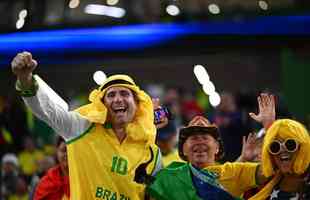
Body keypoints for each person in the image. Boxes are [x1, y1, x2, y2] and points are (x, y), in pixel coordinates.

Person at [11, 51, 164, 200]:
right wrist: (25, 80)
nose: (118, 99)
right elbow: (48, 111)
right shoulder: (81, 127)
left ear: (137, 103)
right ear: (102, 105)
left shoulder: (151, 151)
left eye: (124, 93)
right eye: (111, 95)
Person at [147, 93, 275, 200]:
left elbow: (269, 170)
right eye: (194, 138)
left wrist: (270, 127)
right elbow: (136, 176)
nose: (199, 142)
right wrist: (148, 126)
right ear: (184, 149)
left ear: (217, 147)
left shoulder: (233, 172)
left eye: (205, 137)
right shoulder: (168, 177)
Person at [249, 119, 310, 200]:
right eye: (275, 146)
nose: (282, 150)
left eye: (290, 144)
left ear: (302, 148)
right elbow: (227, 187)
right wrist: (243, 158)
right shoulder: (267, 180)